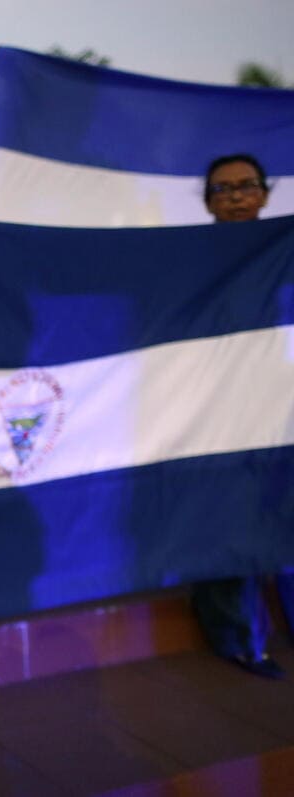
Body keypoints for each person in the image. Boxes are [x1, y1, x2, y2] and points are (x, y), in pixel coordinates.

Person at [191, 153, 289, 680]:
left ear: (265, 194)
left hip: (282, 407)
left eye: (246, 186)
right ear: (208, 202)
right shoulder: (189, 260)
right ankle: (239, 640)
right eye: (222, 190)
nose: (234, 197)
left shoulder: (285, 249)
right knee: (230, 521)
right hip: (222, 415)